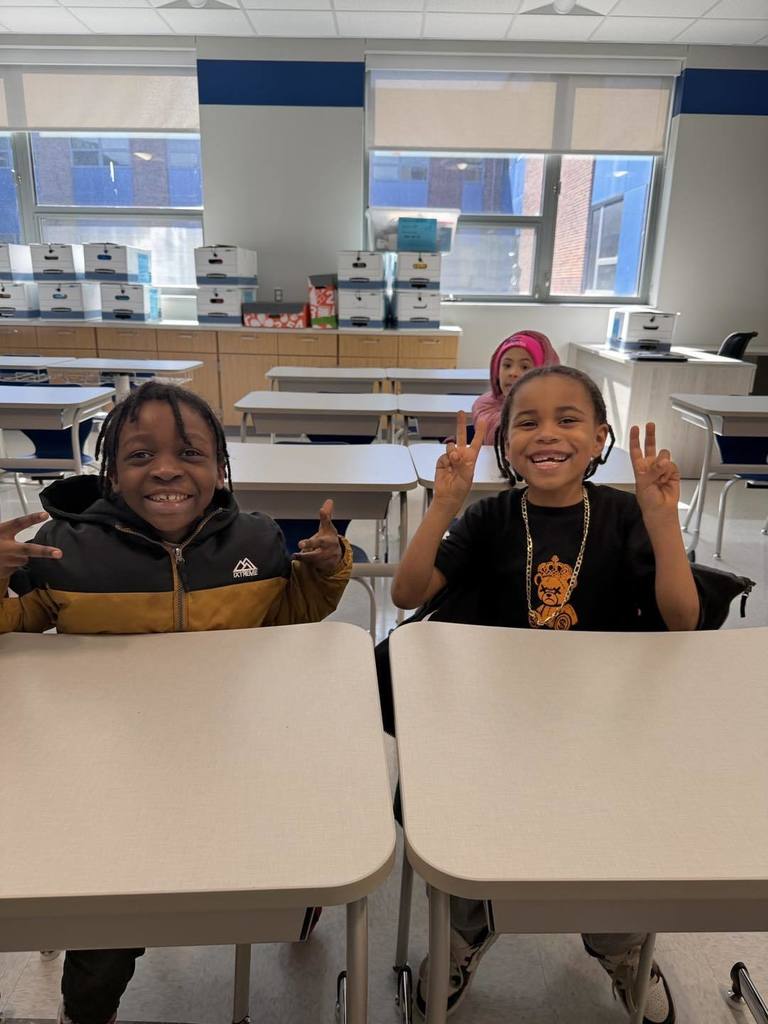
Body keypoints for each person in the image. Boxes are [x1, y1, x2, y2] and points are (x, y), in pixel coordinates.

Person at [0, 381, 352, 1024]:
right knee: (119, 904)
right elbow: (14, 629)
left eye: (190, 454)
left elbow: (289, 618)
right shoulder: (65, 548)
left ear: (220, 470)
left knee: (303, 838)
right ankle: (87, 1011)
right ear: (110, 473)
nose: (165, 469)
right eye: (139, 456)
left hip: (236, 750)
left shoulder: (256, 539)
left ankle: (297, 896)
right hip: (114, 769)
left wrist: (324, 573)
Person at [390, 365, 705, 1024]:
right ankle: (467, 926)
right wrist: (444, 504)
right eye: (526, 422)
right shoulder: (491, 517)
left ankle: (615, 937)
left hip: (606, 728)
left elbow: (683, 620)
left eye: (569, 419)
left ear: (599, 438)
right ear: (505, 444)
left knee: (611, 834)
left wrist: (662, 520)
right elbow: (407, 593)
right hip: (497, 726)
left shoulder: (623, 515)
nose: (547, 434)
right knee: (467, 827)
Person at [472, 329, 560, 445]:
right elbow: (498, 437)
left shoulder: (560, 409)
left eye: (525, 367)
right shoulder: (485, 405)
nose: (513, 373)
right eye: (507, 365)